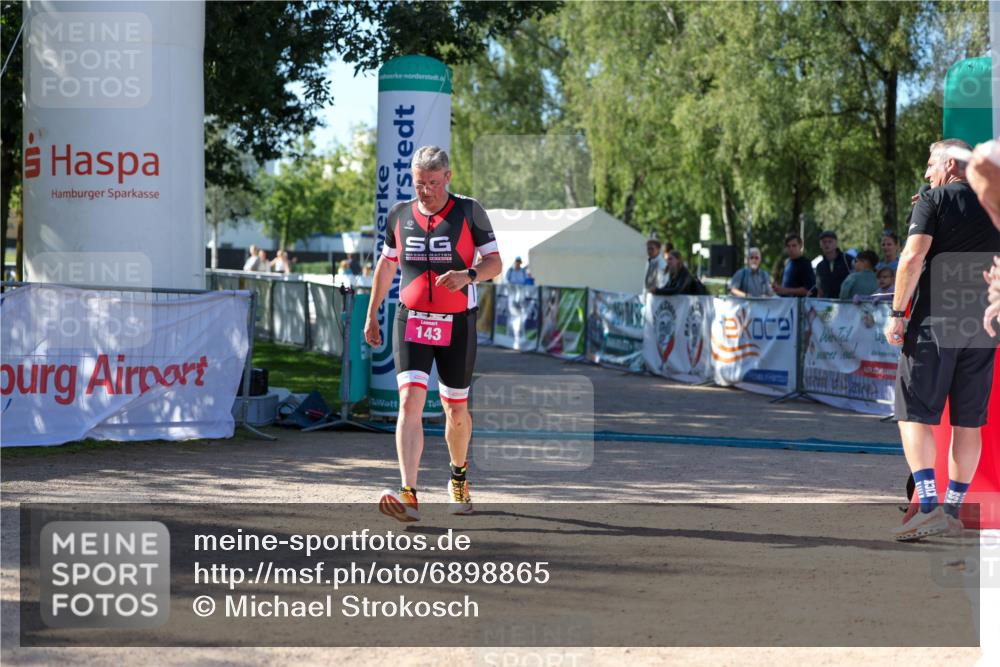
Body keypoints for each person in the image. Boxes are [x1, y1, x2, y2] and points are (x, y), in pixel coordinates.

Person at [364, 146, 502, 523]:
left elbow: (495, 263)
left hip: (457, 321)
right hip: (411, 319)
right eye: (419, 183)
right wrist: (373, 312)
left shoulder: (468, 211)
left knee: (455, 409)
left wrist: (468, 275)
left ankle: (458, 477)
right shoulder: (400, 215)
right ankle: (409, 494)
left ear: (448, 177)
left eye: (433, 183)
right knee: (409, 401)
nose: (425, 190)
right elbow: (387, 264)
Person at [885, 138, 1000, 541]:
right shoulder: (995, 202)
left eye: (930, 163)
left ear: (950, 163)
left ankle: (930, 505)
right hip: (985, 326)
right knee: (969, 421)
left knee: (912, 412)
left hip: (936, 322)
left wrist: (898, 313)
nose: (926, 172)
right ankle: (952, 508)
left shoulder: (933, 200)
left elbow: (913, 258)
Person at [815, 230, 853, 298]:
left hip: (847, 303)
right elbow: (820, 291)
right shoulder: (820, 266)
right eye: (824, 242)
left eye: (830, 241)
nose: (827, 244)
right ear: (820, 244)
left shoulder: (848, 260)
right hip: (827, 305)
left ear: (836, 243)